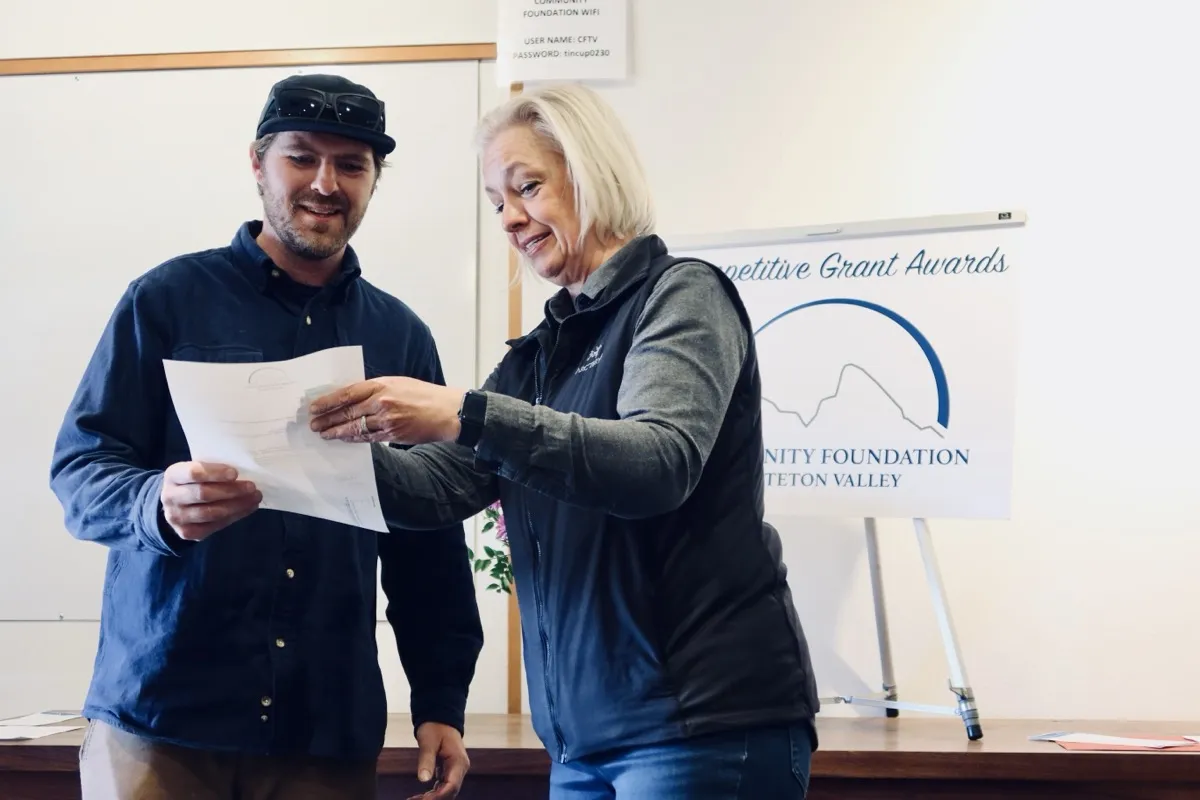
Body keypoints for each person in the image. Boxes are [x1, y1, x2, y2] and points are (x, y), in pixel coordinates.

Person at [307, 82, 821, 799]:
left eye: (528, 187)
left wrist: (468, 412)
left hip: (697, 729)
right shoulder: (536, 357)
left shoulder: (680, 296)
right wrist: (298, 453)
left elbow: (657, 462)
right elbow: (438, 489)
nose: (512, 218)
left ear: (591, 172)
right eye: (497, 203)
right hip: (582, 746)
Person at [49, 73, 483, 800]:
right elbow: (80, 469)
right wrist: (156, 499)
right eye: (301, 157)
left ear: (375, 180)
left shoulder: (401, 336)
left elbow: (426, 538)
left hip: (323, 729)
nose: (325, 183)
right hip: (162, 716)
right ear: (257, 163)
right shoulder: (165, 301)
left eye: (352, 165)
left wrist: (441, 700)